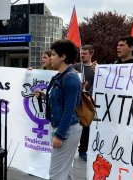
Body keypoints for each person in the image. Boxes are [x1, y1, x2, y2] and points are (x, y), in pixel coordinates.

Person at [36, 39, 81, 179]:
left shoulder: (70, 78)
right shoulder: (58, 77)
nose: (50, 57)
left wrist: (60, 134)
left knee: (56, 174)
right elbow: (59, 100)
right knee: (65, 172)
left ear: (63, 57)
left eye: (54, 55)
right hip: (61, 127)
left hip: (66, 130)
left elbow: (69, 109)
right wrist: (44, 95)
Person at [73, 45, 95, 161]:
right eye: (81, 53)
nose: (82, 55)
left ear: (91, 54)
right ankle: (71, 148)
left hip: (88, 102)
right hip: (75, 100)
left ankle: (83, 150)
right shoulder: (75, 66)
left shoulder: (96, 69)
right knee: (73, 125)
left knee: (86, 126)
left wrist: (88, 92)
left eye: (85, 53)